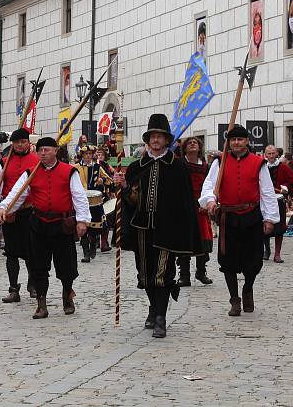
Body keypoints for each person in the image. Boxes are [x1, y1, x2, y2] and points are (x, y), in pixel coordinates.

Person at [114, 115, 200, 338]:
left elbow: (185, 202)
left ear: (166, 140)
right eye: (152, 136)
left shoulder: (178, 167)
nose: (155, 140)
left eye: (159, 136)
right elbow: (132, 201)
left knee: (163, 273)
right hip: (142, 229)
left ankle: (160, 317)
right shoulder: (135, 167)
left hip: (168, 229)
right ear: (148, 140)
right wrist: (124, 187)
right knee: (145, 274)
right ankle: (153, 307)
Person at [0, 136, 90, 320]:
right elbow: (17, 194)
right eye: (40, 150)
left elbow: (79, 197)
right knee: (38, 266)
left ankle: (67, 295)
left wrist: (82, 220)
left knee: (66, 266)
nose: (43, 153)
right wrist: (3, 208)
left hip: (62, 225)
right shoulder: (30, 173)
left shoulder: (70, 171)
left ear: (56, 151)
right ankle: (41, 303)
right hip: (39, 224)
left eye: (47, 150)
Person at [200, 125, 279, 317]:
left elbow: (267, 192)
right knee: (228, 261)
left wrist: (270, 218)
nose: (236, 143)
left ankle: (248, 289)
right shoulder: (219, 162)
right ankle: (234, 299)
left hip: (251, 216)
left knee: (253, 262)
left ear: (247, 141)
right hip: (228, 218)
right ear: (228, 142)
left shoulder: (258, 163)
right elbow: (209, 186)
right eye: (232, 139)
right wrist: (210, 201)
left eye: (240, 139)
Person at [0, 128, 39, 303]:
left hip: (30, 211)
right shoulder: (4, 163)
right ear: (12, 144)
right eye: (17, 142)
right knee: (11, 252)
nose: (21, 145)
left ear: (28, 142)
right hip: (9, 213)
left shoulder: (37, 161)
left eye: (23, 142)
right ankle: (13, 288)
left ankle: (33, 284)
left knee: (32, 251)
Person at [177, 137, 213, 286]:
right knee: (184, 239)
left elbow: (210, 185)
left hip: (200, 205)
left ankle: (200, 272)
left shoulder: (206, 167)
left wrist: (207, 202)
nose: (193, 144)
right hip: (184, 204)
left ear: (199, 148)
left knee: (202, 238)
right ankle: (184, 275)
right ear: (184, 148)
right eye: (189, 142)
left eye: (195, 142)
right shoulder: (179, 164)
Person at [75, 145, 110, 263]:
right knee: (83, 226)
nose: (88, 156)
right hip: (81, 201)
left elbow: (109, 179)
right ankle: (86, 254)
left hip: (95, 202)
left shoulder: (97, 167)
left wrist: (102, 180)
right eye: (86, 154)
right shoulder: (75, 168)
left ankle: (93, 245)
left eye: (90, 154)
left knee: (94, 227)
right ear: (82, 155)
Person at [263, 145, 293, 263]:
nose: (271, 156)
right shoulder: (262, 167)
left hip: (278, 200)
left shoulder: (283, 167)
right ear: (265, 155)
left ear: (277, 154)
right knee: (264, 226)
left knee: (279, 228)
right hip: (265, 200)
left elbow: (292, 180)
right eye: (269, 154)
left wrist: (286, 188)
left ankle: (277, 254)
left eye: (273, 153)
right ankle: (266, 250)